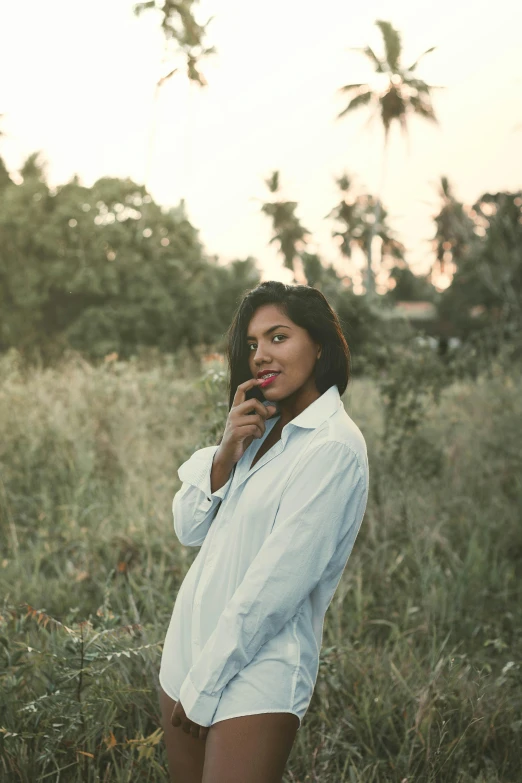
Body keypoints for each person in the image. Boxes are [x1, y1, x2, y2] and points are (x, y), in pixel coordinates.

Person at [158, 281, 369, 782]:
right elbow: (188, 528)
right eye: (253, 344)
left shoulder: (332, 447)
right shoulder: (257, 429)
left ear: (319, 345)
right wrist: (227, 448)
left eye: (278, 337)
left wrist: (206, 683)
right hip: (187, 653)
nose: (260, 355)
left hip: (256, 671)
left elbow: (276, 586)